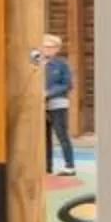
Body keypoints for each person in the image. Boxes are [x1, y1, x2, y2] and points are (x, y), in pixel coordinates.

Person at [37, 34, 77, 176]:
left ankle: (70, 166)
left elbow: (67, 84)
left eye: (50, 47)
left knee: (62, 135)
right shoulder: (37, 62)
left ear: (57, 49)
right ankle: (47, 167)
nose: (46, 49)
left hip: (58, 104)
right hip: (39, 106)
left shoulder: (62, 64)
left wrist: (48, 93)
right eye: (44, 46)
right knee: (43, 137)